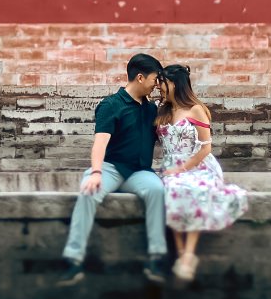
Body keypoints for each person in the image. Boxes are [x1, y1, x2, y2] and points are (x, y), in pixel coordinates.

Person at [58, 52, 168, 285]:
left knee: (157, 190)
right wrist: (96, 172)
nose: (156, 85)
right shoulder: (111, 105)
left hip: (139, 172)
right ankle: (73, 260)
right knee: (88, 190)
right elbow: (100, 143)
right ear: (140, 77)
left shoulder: (151, 109)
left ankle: (156, 258)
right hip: (111, 168)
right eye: (154, 79)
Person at [154, 63, 247, 284]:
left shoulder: (196, 109)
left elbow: (206, 147)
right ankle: (181, 253)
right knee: (172, 190)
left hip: (198, 164)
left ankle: (189, 254)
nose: (159, 88)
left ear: (175, 84)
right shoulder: (163, 110)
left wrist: (182, 168)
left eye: (163, 84)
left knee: (195, 189)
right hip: (170, 164)